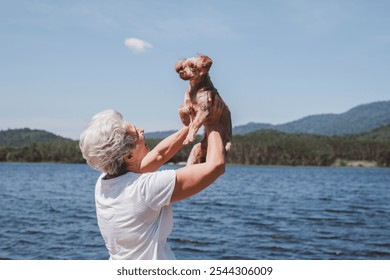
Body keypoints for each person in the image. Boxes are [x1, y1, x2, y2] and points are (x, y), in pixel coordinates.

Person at [79, 104, 225, 260]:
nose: (142, 130)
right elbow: (216, 166)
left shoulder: (104, 183)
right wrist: (212, 120)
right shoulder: (145, 188)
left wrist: (193, 126)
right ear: (129, 156)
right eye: (136, 133)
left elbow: (159, 155)